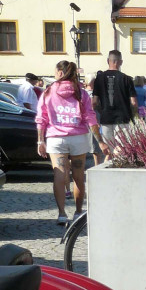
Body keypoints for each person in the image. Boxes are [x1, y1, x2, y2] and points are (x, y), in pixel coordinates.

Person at [35, 60, 108, 224]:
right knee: (78, 176)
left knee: (59, 175)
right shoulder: (81, 93)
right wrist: (101, 142)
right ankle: (78, 211)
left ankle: (61, 213)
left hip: (55, 138)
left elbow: (42, 118)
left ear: (60, 73)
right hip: (78, 138)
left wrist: (40, 141)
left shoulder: (48, 91)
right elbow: (91, 118)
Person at [91, 50, 137, 144]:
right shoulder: (127, 79)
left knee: (109, 149)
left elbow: (94, 101)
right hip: (123, 119)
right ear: (121, 62)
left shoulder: (99, 78)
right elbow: (134, 102)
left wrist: (95, 117)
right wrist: (134, 115)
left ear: (108, 61)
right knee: (122, 149)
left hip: (106, 117)